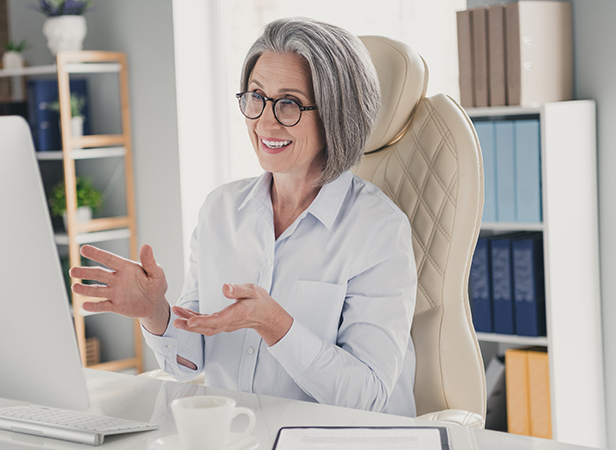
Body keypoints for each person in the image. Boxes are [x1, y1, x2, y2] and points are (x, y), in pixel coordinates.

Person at [69, 17, 418, 417]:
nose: (265, 121)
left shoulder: (377, 229)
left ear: (337, 115)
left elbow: (368, 397)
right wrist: (156, 312)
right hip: (241, 434)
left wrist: (274, 324)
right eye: (256, 96)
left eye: (289, 103)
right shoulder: (221, 210)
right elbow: (189, 363)